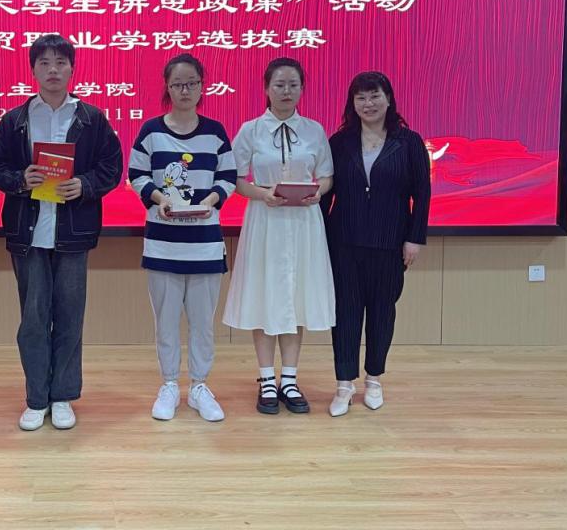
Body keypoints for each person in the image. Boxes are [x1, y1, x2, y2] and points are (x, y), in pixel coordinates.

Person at [0, 34, 123, 432]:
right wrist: (19, 178)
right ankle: (36, 398)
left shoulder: (91, 118)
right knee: (32, 320)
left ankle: (62, 396)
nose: (53, 70)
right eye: (44, 63)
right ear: (33, 70)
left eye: (60, 62)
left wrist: (85, 185)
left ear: (72, 68)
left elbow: (112, 166)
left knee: (69, 318)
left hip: (73, 233)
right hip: (28, 234)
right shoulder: (15, 120)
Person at [222, 57, 335, 415]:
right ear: (266, 88)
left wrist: (318, 192)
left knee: (296, 296)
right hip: (266, 221)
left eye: (293, 85)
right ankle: (267, 378)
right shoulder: (251, 130)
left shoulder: (314, 130)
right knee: (264, 295)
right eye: (279, 85)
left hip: (304, 224)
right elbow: (234, 179)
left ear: (302, 89)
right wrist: (262, 194)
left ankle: (290, 378)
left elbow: (327, 175)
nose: (286, 91)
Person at [128, 54, 237, 422]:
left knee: (203, 323)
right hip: (163, 243)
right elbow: (137, 175)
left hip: (204, 244)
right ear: (168, 88)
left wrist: (211, 201)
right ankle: (170, 384)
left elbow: (228, 177)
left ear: (202, 87)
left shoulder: (215, 132)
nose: (185, 90)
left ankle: (200, 386)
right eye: (178, 84)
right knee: (166, 320)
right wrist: (160, 199)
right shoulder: (151, 131)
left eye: (191, 83)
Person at [322, 71, 431, 416]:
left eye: (375, 96)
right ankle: (344, 384)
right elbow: (327, 193)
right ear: (352, 103)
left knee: (383, 313)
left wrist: (414, 238)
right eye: (361, 98)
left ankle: (374, 379)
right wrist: (318, 237)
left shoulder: (408, 142)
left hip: (390, 242)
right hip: (344, 242)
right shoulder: (339, 142)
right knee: (345, 313)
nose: (368, 104)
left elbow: (422, 194)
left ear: (388, 99)